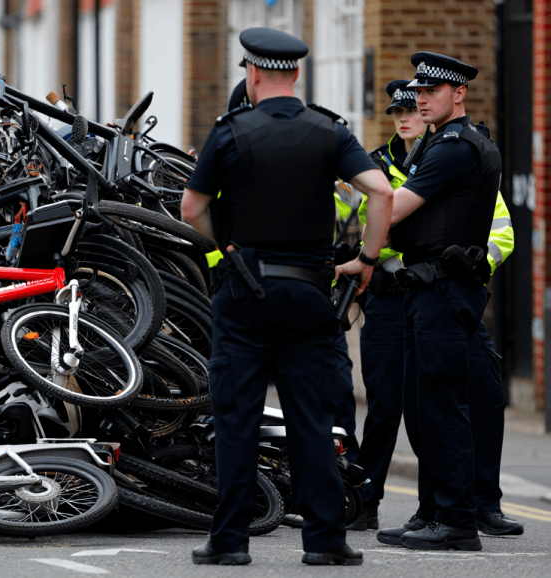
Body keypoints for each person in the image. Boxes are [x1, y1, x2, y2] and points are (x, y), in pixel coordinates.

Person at [181, 27, 393, 566]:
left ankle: (229, 542)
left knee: (237, 418)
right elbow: (381, 192)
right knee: (311, 419)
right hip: (308, 292)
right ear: (295, 74)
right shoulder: (330, 132)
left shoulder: (229, 132)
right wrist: (366, 260)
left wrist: (223, 253)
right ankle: (325, 541)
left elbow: (190, 207)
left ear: (252, 74)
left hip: (245, 291)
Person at [337, 52, 501, 551]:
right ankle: (431, 511)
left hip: (445, 288)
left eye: (431, 92)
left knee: (443, 405)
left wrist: (365, 254)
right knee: (424, 406)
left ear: (458, 94)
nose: (422, 100)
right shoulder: (437, 144)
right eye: (419, 92)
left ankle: (455, 521)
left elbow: (394, 205)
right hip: (427, 287)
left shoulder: (455, 148)